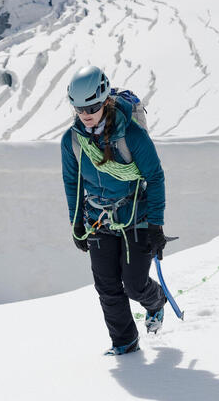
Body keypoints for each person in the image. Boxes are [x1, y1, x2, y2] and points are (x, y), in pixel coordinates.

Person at [61, 65, 168, 356]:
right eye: (80, 107)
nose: (86, 113)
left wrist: (156, 226)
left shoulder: (131, 135)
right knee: (107, 286)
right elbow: (73, 183)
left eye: (93, 106)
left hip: (135, 217)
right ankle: (125, 343)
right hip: (97, 220)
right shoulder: (72, 141)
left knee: (134, 285)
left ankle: (156, 301)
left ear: (105, 99)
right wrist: (76, 224)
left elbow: (155, 177)